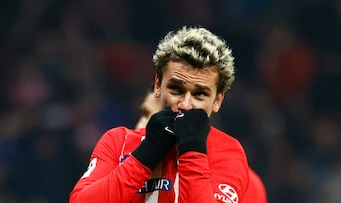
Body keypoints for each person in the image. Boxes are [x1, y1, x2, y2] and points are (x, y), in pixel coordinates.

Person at [69, 26, 250, 203]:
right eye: (176, 89)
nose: (185, 104)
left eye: (199, 94)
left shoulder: (228, 151)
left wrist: (193, 149)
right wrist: (148, 152)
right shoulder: (118, 141)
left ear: (217, 101)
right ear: (157, 85)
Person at [136, 92, 267, 203]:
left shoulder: (249, 184)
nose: (141, 125)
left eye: (153, 119)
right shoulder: (127, 161)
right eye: (143, 115)